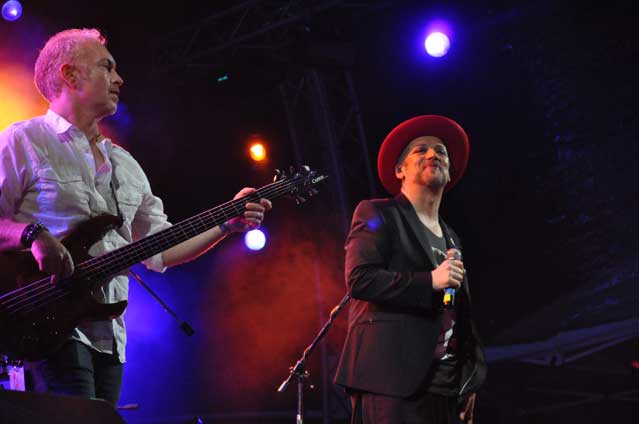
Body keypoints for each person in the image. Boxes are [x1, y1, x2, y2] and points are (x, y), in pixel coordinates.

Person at [0, 28, 272, 406]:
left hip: (110, 335)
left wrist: (227, 224)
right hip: (45, 324)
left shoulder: (125, 164)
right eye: (107, 67)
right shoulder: (23, 140)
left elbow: (161, 249)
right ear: (71, 75)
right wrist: (33, 235)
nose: (119, 78)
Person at [334, 115, 487, 423]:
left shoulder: (452, 237)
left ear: (450, 172)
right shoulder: (377, 213)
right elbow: (360, 280)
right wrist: (430, 280)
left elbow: (458, 311)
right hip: (390, 377)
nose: (433, 154)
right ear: (399, 170)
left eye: (441, 151)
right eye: (421, 150)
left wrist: (470, 376)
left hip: (446, 386)